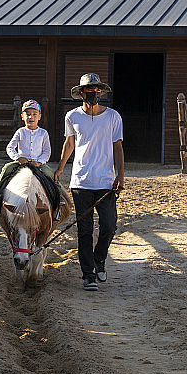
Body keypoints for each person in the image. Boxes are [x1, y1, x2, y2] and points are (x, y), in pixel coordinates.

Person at [54, 73, 124, 292]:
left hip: (106, 180)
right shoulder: (72, 116)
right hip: (81, 180)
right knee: (84, 230)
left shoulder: (113, 116)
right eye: (89, 90)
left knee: (109, 225)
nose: (94, 94)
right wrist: (60, 167)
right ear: (81, 93)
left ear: (101, 92)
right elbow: (69, 143)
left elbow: (118, 147)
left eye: (97, 90)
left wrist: (120, 175)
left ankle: (99, 260)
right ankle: (88, 275)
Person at [0, 99, 52, 219]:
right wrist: (18, 157)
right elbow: (10, 147)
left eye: (34, 114)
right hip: (21, 163)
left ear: (39, 116)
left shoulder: (43, 133)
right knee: (6, 168)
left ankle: (57, 197)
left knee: (50, 173)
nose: (31, 117)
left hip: (37, 163)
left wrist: (39, 161)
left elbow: (47, 151)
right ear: (22, 116)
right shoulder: (20, 132)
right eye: (28, 114)